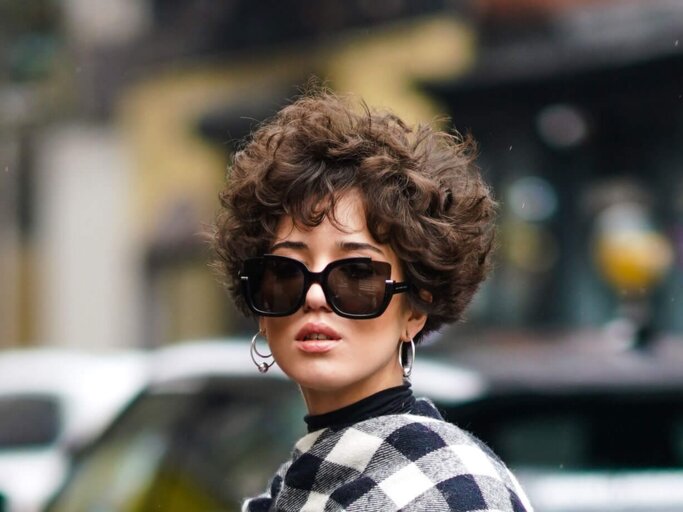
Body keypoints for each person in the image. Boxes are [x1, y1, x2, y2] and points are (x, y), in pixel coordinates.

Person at [213, 90, 532, 511]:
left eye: (357, 275)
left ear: (416, 309)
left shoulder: (452, 489)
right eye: (285, 273)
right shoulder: (291, 491)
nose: (313, 296)